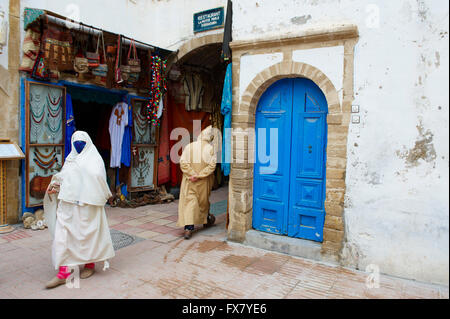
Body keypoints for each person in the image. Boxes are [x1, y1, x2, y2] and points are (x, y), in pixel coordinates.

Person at [43, 131, 115, 289]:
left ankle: (89, 265)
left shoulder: (94, 160)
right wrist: (56, 186)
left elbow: (98, 179)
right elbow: (65, 177)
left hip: (87, 206)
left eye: (81, 144)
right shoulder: (70, 159)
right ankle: (64, 272)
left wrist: (92, 194)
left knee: (86, 237)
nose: (78, 146)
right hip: (67, 204)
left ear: (87, 143)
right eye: (76, 144)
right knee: (63, 237)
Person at [177, 125, 217, 239]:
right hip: (203, 182)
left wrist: (192, 174)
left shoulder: (189, 146)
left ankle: (188, 229)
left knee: (190, 202)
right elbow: (212, 166)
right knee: (202, 202)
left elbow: (183, 163)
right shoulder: (211, 149)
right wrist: (199, 176)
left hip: (190, 181)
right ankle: (205, 220)